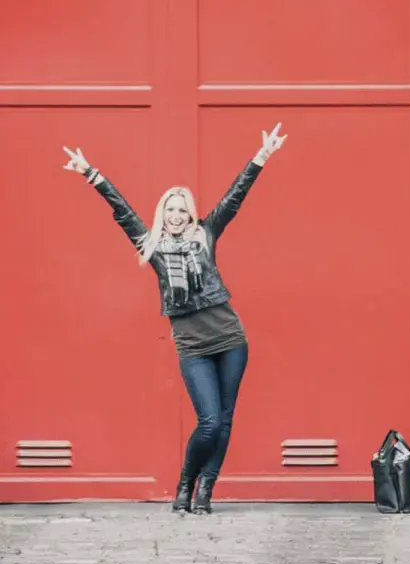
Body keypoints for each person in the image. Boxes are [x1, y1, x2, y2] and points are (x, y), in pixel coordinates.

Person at [62, 123, 288, 514]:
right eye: (171, 209)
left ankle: (205, 492)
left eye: (183, 209)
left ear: (192, 214)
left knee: (226, 421)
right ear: (162, 213)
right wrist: (90, 173)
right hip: (193, 346)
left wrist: (261, 157)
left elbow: (235, 198)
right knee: (210, 422)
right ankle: (186, 479)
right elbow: (122, 211)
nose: (177, 215)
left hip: (230, 339)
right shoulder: (152, 246)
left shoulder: (207, 234)